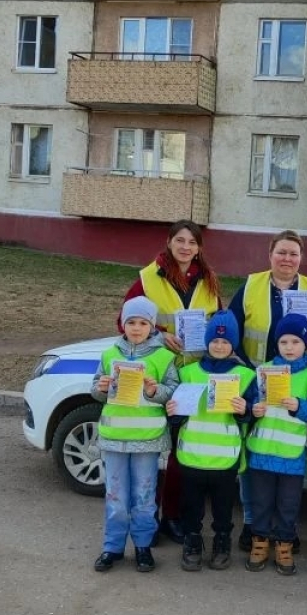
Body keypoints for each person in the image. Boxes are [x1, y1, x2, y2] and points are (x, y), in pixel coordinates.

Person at [228, 230, 307, 554]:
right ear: (270, 255)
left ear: (301, 259)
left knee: (289, 467)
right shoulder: (251, 285)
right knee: (255, 462)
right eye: (282, 252)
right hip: (257, 381)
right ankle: (253, 526)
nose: (287, 259)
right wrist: (246, 370)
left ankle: (285, 532)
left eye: (293, 254)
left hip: (297, 387)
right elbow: (232, 328)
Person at [121, 220, 223, 544]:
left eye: (192, 242)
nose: (185, 247)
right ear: (168, 242)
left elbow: (219, 324)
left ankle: (173, 517)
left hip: (193, 377)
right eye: (180, 240)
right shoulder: (148, 278)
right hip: (158, 373)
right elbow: (124, 321)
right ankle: (147, 521)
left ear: (199, 248)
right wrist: (157, 335)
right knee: (152, 451)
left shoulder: (208, 281)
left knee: (180, 453)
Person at [91, 296, 179, 574]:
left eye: (143, 323)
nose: (137, 328)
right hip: (114, 438)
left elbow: (172, 392)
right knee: (115, 497)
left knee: (144, 497)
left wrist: (154, 391)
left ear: (152, 326)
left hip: (147, 440)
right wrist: (101, 388)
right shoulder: (109, 355)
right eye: (131, 322)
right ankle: (112, 547)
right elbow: (95, 389)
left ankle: (143, 546)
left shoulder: (163, 357)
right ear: (123, 324)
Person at [169, 310, 258, 573]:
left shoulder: (245, 375)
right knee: (191, 504)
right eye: (215, 341)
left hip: (225, 457)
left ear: (234, 344)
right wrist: (172, 412)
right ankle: (192, 541)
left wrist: (244, 410)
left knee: (223, 507)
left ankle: (222, 541)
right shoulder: (188, 373)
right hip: (192, 454)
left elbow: (251, 415)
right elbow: (177, 416)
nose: (219, 346)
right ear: (207, 342)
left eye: (225, 341)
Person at [244, 313, 307, 576]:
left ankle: (284, 545)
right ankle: (259, 543)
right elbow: (250, 402)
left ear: (305, 344)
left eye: (295, 342)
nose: (289, 347)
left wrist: (299, 406)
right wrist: (254, 409)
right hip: (262, 451)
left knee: (288, 505)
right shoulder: (264, 370)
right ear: (276, 344)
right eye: (283, 342)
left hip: (292, 455)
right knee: (261, 502)